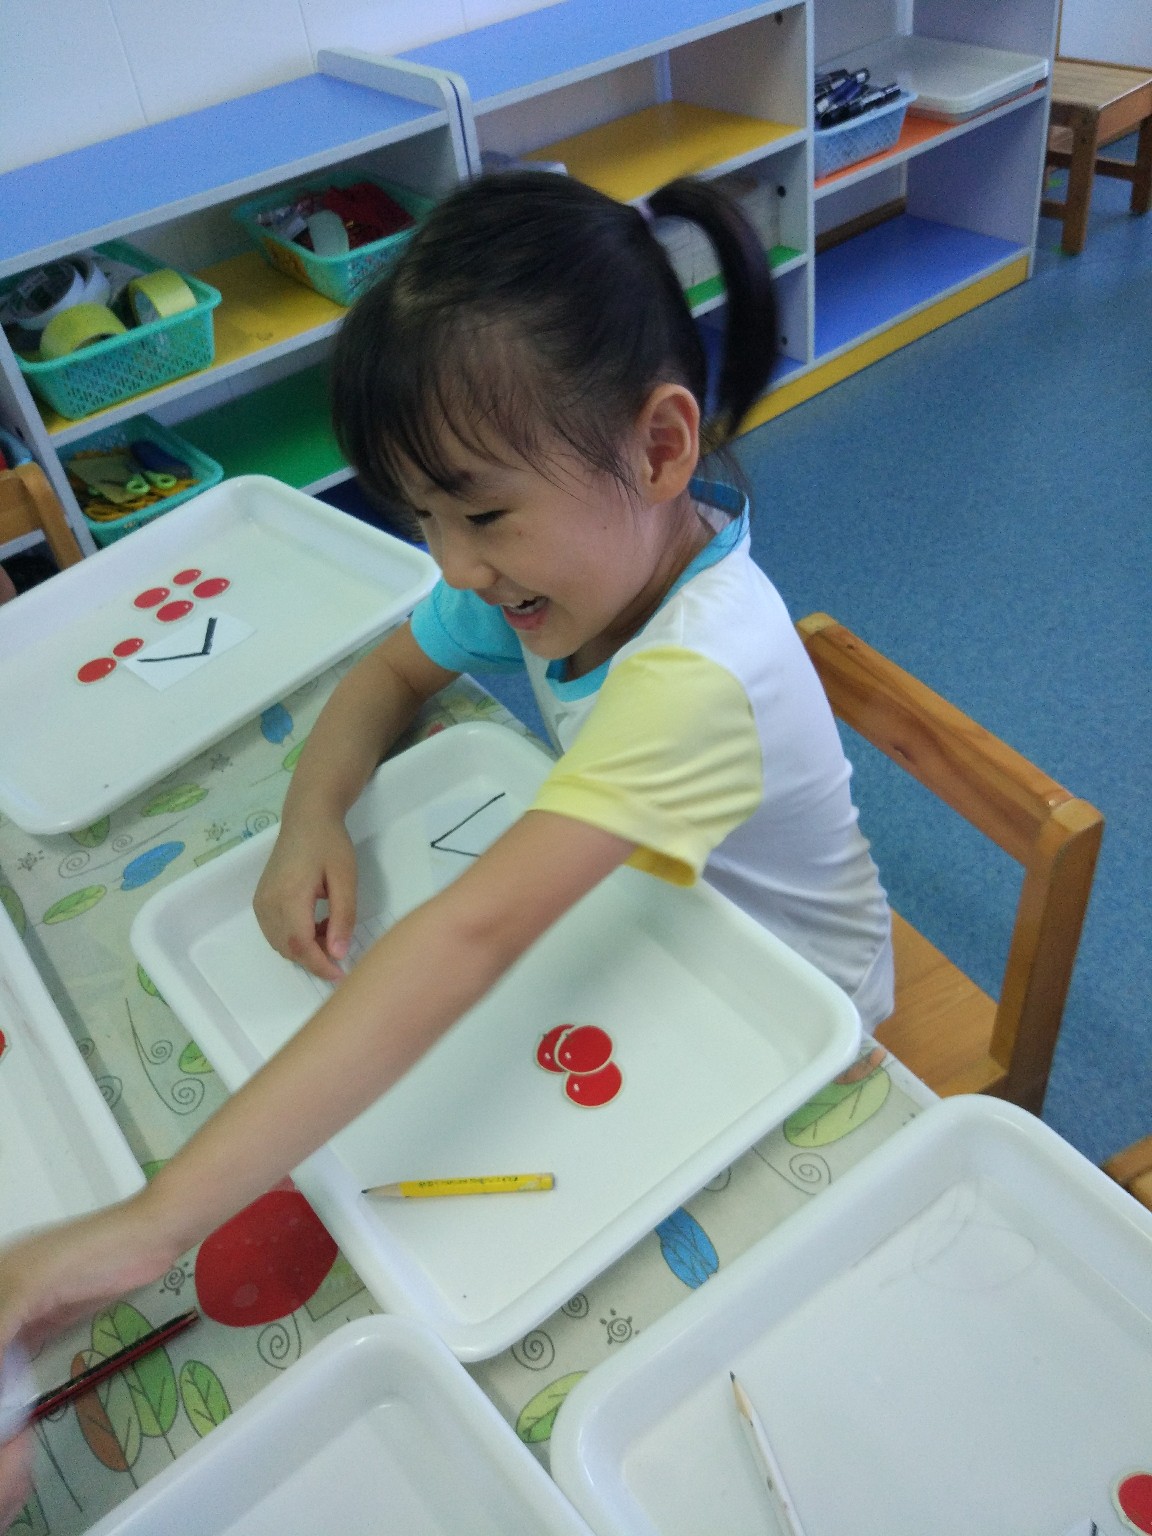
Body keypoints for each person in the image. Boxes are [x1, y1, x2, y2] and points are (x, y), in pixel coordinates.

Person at [0, 171, 892, 1522]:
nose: (455, 564)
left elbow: (470, 938)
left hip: (802, 1015)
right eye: (421, 517)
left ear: (661, 450)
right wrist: (311, 814)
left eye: (478, 514)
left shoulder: (699, 672)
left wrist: (147, 1229)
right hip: (664, 941)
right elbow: (386, 675)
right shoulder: (568, 570)